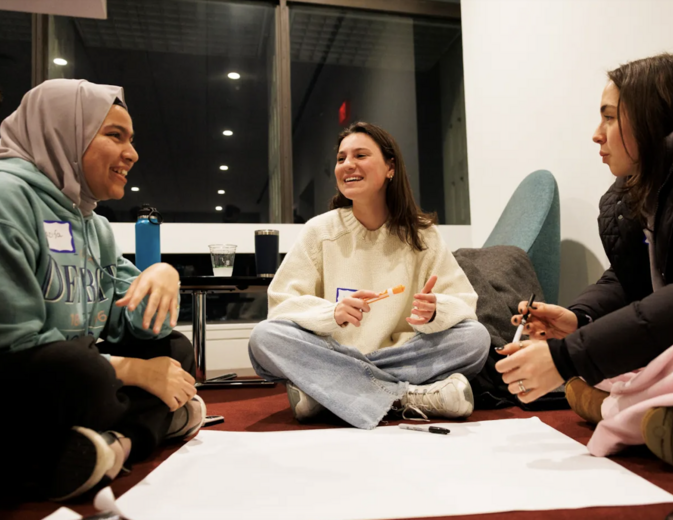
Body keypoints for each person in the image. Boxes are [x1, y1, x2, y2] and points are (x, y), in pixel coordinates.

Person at [495, 54, 673, 471]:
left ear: (653, 118)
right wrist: (581, 318)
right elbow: (634, 278)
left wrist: (567, 358)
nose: (596, 135)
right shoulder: (662, 177)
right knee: (632, 347)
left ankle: (626, 407)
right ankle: (643, 404)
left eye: (609, 118)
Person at [0, 79, 206, 502]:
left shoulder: (93, 223)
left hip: (73, 377)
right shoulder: (8, 197)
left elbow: (127, 321)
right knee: (84, 372)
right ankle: (153, 425)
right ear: (63, 133)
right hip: (22, 377)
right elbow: (13, 344)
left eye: (131, 139)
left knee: (174, 349)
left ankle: (112, 446)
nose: (132, 153)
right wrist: (129, 371)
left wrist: (163, 275)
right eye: (115, 135)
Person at [248, 122, 490, 429]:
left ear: (390, 168)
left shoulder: (423, 235)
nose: (347, 164)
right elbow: (281, 306)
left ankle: (328, 394)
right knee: (264, 338)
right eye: (341, 158)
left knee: (475, 339)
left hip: (399, 353)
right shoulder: (319, 231)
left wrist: (435, 312)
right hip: (334, 351)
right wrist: (331, 313)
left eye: (360, 155)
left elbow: (465, 305)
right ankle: (409, 397)